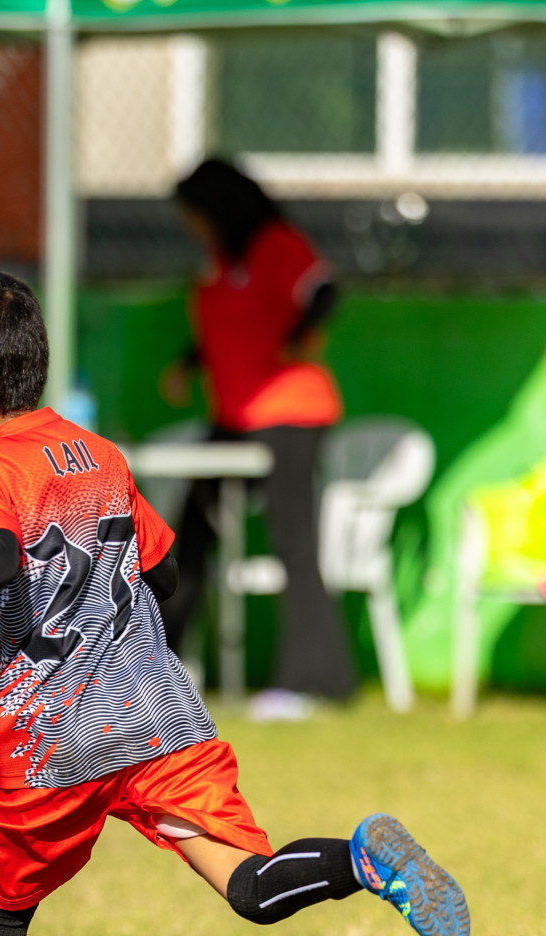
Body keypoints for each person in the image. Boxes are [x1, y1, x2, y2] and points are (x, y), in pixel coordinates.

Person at [0, 270, 469, 936]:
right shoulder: (101, 455)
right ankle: (362, 861)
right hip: (158, 711)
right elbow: (165, 568)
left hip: (54, 735)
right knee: (248, 884)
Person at [159, 158, 353, 718]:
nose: (190, 227)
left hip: (291, 414)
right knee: (185, 538)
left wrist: (298, 338)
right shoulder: (222, 261)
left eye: (194, 215)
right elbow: (235, 328)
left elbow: (324, 291)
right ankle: (150, 669)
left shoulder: (275, 244)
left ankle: (315, 681)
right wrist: (189, 363)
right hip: (235, 418)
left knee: (294, 541)